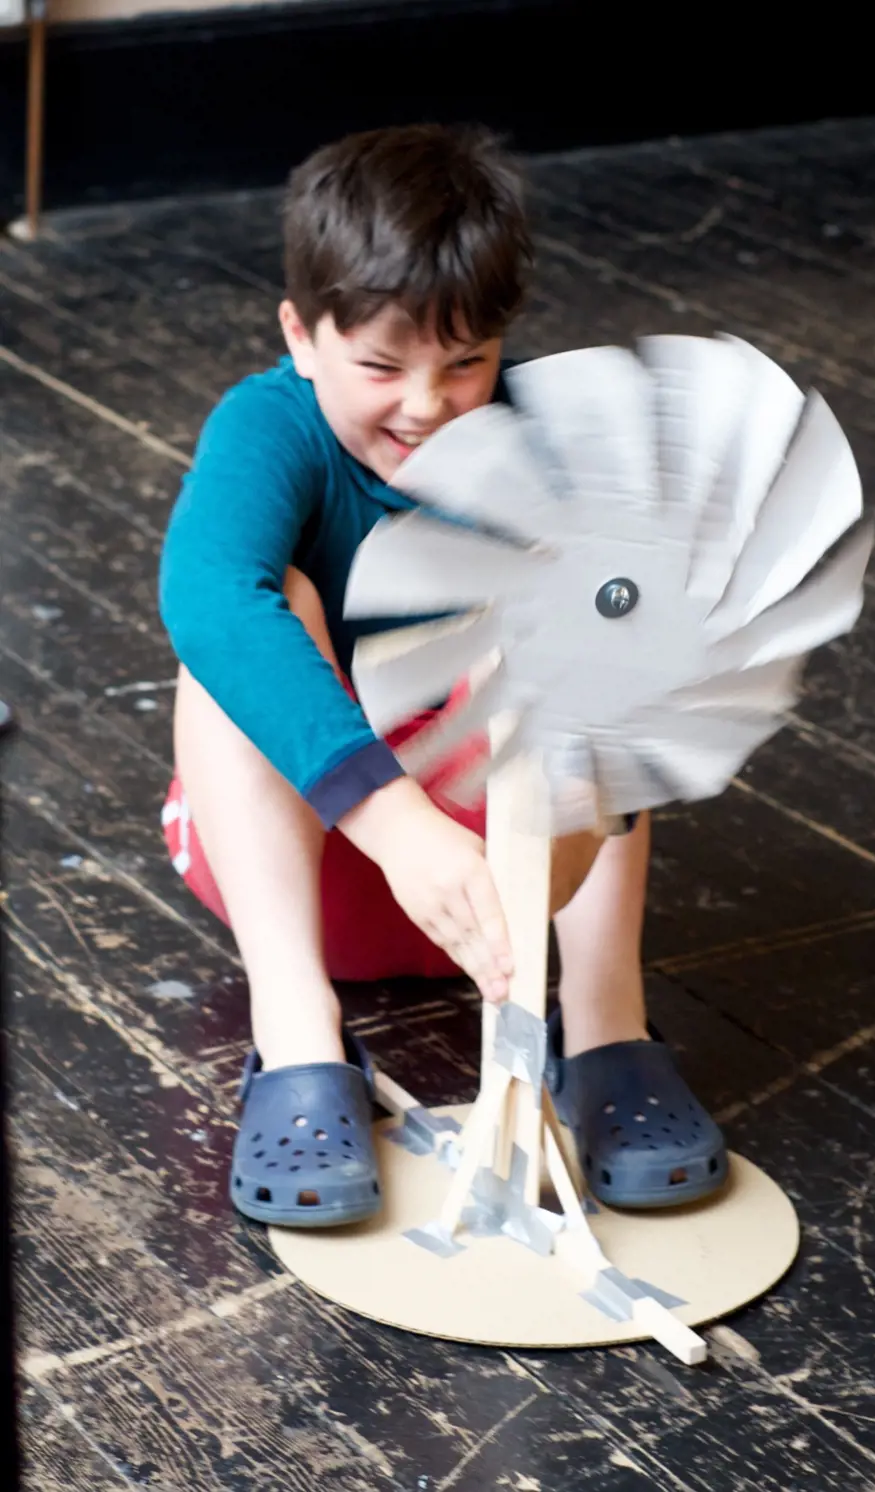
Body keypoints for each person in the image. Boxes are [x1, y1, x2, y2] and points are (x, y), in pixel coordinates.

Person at [159, 123, 727, 1229]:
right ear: (300, 334)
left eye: (464, 363)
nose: (426, 404)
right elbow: (206, 598)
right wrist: (396, 822)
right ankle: (297, 1037)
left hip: (510, 892)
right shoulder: (269, 426)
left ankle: (605, 1025)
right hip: (315, 868)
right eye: (380, 365)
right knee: (247, 620)